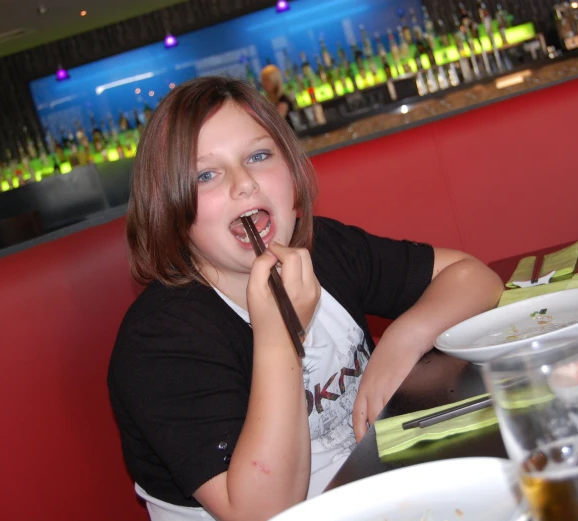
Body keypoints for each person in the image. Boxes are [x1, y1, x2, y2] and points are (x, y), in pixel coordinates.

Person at [107, 76, 503, 521]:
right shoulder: (161, 341)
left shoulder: (322, 248)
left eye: (258, 156)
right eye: (206, 174)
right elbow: (265, 513)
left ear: (292, 173)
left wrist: (402, 340)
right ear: (171, 211)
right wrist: (280, 336)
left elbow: (473, 277)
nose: (243, 184)